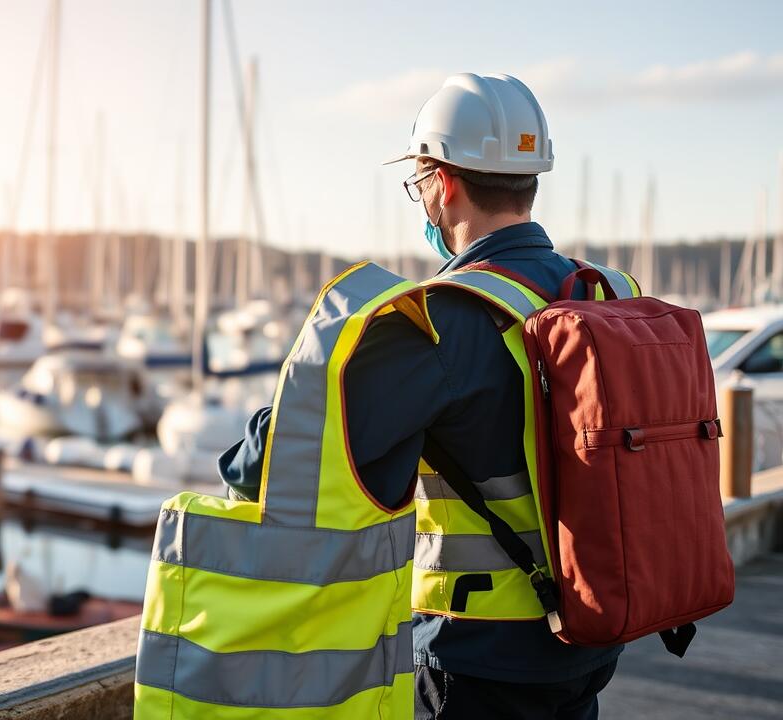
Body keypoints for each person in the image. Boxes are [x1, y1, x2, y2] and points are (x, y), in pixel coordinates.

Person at [219, 73, 625, 719]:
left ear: (442, 181)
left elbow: (272, 461)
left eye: (418, 183)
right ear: (530, 179)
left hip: (482, 652)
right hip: (597, 626)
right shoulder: (609, 292)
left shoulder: (439, 320)